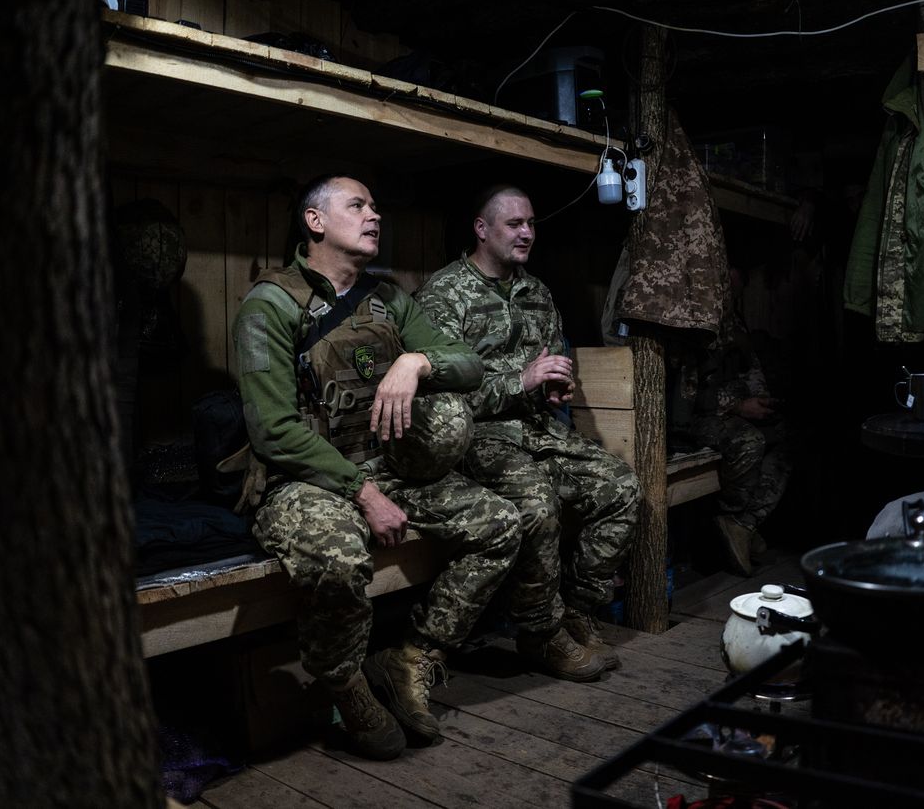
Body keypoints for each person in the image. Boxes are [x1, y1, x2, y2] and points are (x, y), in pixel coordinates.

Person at [231, 174, 522, 760]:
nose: (375, 216)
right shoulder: (271, 304)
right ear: (315, 223)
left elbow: (467, 364)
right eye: (357, 205)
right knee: (340, 559)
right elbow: (273, 431)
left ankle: (413, 655)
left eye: (376, 207)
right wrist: (361, 491)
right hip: (305, 478)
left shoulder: (387, 300)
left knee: (500, 523)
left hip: (383, 465)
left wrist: (415, 360)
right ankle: (345, 681)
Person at [415, 185, 639, 681]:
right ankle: (540, 632)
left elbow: (546, 368)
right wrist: (522, 381)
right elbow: (438, 399)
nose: (526, 233)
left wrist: (555, 387)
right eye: (514, 224)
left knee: (620, 486)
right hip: (478, 437)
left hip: (536, 428)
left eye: (531, 223)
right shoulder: (444, 294)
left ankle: (577, 610)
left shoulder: (536, 292)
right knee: (537, 504)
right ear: (482, 229)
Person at [673, 265, 791, 574]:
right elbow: (687, 397)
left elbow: (752, 372)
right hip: (697, 420)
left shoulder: (733, 322)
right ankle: (732, 518)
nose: (730, 296)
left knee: (784, 439)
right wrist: (737, 406)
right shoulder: (694, 324)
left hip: (733, 412)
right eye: (726, 288)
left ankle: (744, 523)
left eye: (736, 290)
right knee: (749, 441)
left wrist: (762, 401)